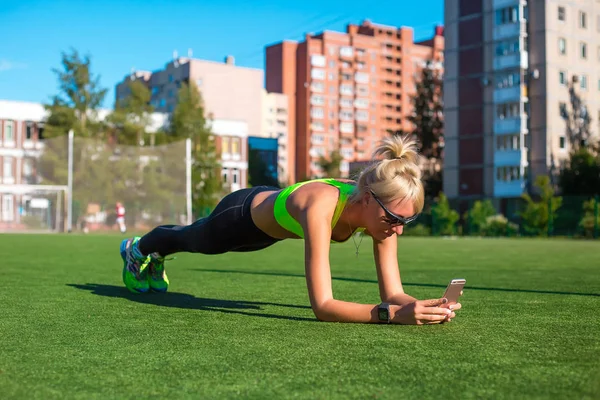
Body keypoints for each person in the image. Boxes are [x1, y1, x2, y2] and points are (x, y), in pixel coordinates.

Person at [119, 135, 462, 325]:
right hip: (240, 216)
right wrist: (391, 316)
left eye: (406, 222)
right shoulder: (321, 206)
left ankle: (156, 253)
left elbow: (394, 293)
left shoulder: (383, 218)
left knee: (205, 242)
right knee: (194, 240)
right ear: (369, 199)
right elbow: (323, 306)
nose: (398, 231)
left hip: (268, 233)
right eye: (394, 219)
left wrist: (420, 306)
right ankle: (137, 250)